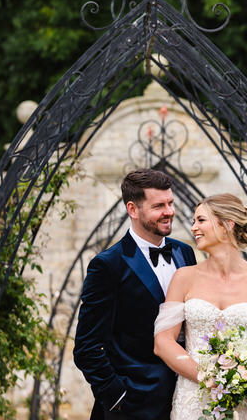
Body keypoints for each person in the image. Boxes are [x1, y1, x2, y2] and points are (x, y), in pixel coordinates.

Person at [75, 168, 198, 420]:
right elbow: (87, 346)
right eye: (159, 206)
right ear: (133, 209)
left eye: (171, 203)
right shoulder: (108, 264)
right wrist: (116, 396)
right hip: (132, 406)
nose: (169, 212)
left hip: (186, 398)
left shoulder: (185, 253)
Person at [153, 194, 247, 420]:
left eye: (201, 220)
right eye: (194, 221)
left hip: (245, 403)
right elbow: (163, 342)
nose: (194, 227)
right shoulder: (184, 278)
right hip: (193, 400)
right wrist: (208, 378)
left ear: (227, 225)